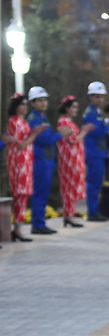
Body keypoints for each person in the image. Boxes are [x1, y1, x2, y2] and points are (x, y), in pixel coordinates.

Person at [27, 86, 72, 235]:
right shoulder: (34, 120)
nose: (43, 103)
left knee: (42, 194)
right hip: (39, 162)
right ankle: (37, 224)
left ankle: (40, 223)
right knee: (39, 194)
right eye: (39, 100)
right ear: (32, 103)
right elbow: (44, 140)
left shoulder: (42, 118)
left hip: (46, 161)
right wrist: (60, 134)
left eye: (45, 100)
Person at [56, 96, 91, 228]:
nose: (76, 109)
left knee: (71, 186)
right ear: (67, 108)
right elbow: (74, 139)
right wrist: (85, 131)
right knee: (69, 187)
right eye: (74, 107)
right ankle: (69, 216)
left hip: (75, 159)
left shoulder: (69, 122)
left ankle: (69, 214)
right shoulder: (63, 122)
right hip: (69, 160)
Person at [6, 93, 35, 242]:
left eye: (25, 104)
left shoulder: (22, 121)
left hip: (26, 161)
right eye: (22, 104)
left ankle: (18, 227)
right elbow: (21, 144)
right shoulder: (13, 122)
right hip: (18, 161)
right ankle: (17, 228)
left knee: (23, 194)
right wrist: (35, 134)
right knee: (20, 193)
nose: (25, 107)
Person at [82, 81, 109, 221]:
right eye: (96, 96)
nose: (99, 99)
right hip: (93, 152)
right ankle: (92, 212)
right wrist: (108, 126)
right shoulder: (90, 114)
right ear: (91, 97)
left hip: (99, 152)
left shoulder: (97, 112)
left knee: (97, 183)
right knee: (93, 183)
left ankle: (95, 210)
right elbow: (97, 132)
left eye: (101, 96)